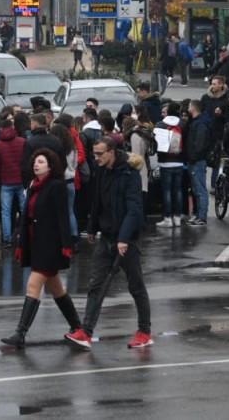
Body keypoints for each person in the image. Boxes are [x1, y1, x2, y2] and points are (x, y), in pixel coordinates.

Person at [66, 138, 152, 350]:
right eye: (94, 154)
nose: (96, 158)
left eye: (99, 154)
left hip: (127, 240)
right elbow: (98, 201)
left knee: (136, 286)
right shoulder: (102, 171)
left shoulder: (130, 175)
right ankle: (86, 331)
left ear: (112, 152)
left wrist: (124, 239)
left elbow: (134, 210)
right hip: (106, 237)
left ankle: (144, 332)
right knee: (96, 285)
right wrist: (92, 227)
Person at [1, 149, 81, 348]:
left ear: (50, 166)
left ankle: (20, 333)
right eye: (35, 162)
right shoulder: (33, 185)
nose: (36, 165)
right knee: (56, 288)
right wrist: (21, 244)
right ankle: (77, 326)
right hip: (35, 242)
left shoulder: (57, 186)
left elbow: (63, 217)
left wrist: (66, 244)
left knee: (33, 285)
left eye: (41, 162)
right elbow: (26, 216)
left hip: (50, 244)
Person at [0, 117, 27, 246]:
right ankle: (26, 235)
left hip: (6, 181)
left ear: (1, 129)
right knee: (24, 209)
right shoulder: (22, 141)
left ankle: (7, 239)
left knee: (6, 211)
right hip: (21, 180)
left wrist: (0, 178)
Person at [184, 100, 212, 226]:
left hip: (197, 161)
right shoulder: (197, 123)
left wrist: (193, 156)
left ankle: (202, 216)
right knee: (196, 189)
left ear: (193, 108)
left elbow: (199, 143)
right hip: (195, 160)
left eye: (189, 106)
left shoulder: (200, 124)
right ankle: (199, 216)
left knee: (200, 190)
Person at [154, 114, 184, 228]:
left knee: (167, 191)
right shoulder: (181, 125)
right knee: (178, 190)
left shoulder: (161, 125)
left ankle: (167, 218)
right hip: (179, 162)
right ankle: (177, 217)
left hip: (165, 163)